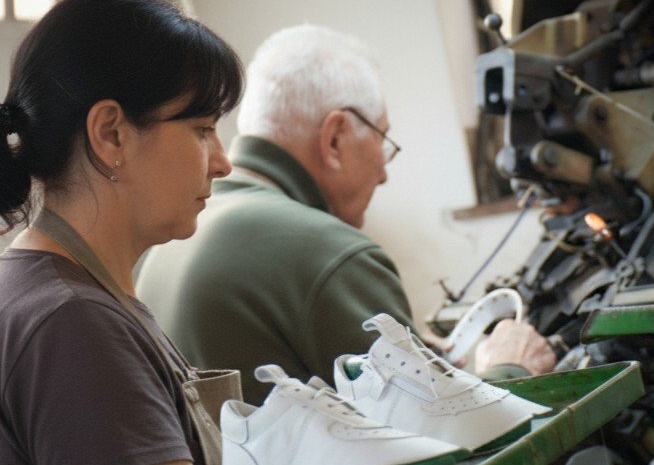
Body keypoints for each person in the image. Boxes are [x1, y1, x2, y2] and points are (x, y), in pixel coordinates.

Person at [0, 0, 580, 465]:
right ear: (111, 134)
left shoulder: (84, 294)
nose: (221, 161)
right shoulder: (66, 321)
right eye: (201, 128)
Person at [137, 23, 555, 407]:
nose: (385, 172)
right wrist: (510, 371)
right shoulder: (331, 253)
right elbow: (459, 436)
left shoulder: (167, 244)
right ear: (335, 138)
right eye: (382, 139)